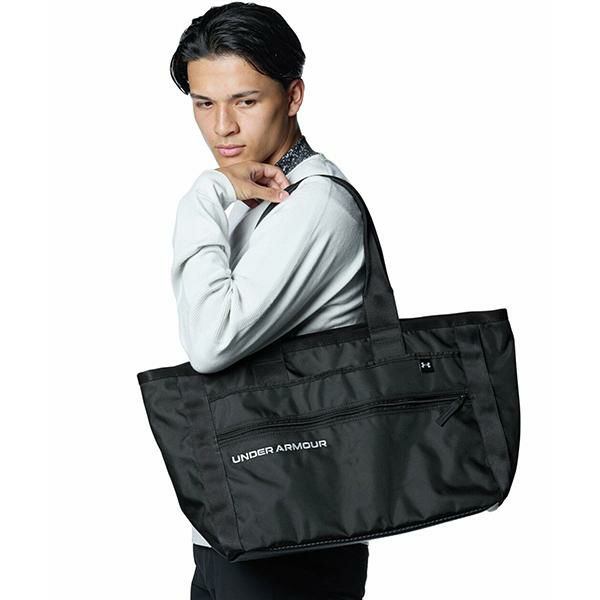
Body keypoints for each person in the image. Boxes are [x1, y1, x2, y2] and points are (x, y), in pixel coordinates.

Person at [169, 3, 370, 598]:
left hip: (292, 537)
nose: (222, 127)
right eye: (204, 103)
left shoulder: (316, 206)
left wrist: (204, 193)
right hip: (238, 526)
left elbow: (211, 340)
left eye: (245, 101)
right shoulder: (252, 198)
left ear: (294, 96)